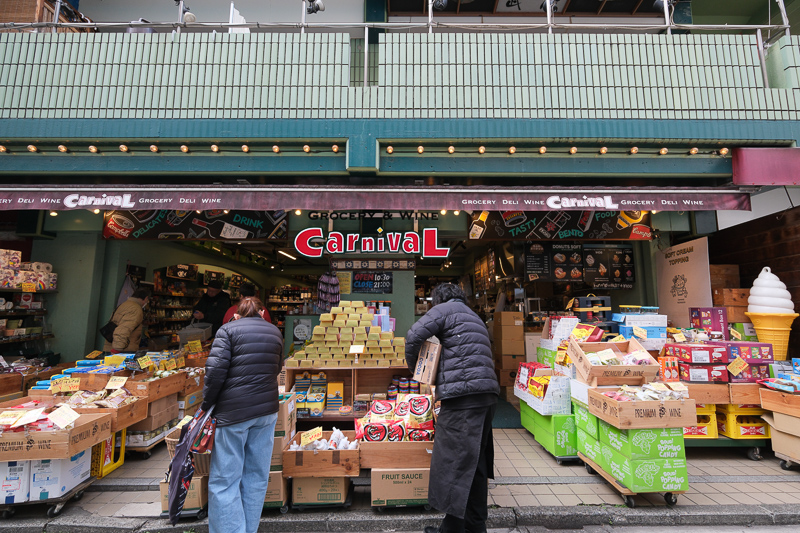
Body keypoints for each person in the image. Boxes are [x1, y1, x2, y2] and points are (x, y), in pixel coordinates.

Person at [405, 283, 500, 533]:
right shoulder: (473, 315)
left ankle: (452, 530)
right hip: (487, 396)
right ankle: (475, 526)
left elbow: (413, 335)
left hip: (463, 399)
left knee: (453, 465)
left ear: (438, 299)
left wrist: (419, 371)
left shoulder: (444, 310)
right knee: (474, 465)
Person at [202, 296, 283, 533]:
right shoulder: (274, 332)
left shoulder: (227, 331)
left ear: (236, 314)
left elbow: (214, 373)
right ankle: (248, 529)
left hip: (233, 413)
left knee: (225, 480)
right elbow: (276, 369)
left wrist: (206, 404)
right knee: (257, 477)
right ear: (262, 312)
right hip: (266, 411)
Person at [103, 288, 151, 353]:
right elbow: (123, 329)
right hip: (123, 349)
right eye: (147, 301)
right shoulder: (135, 309)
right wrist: (116, 351)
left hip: (112, 346)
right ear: (146, 298)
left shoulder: (124, 305)